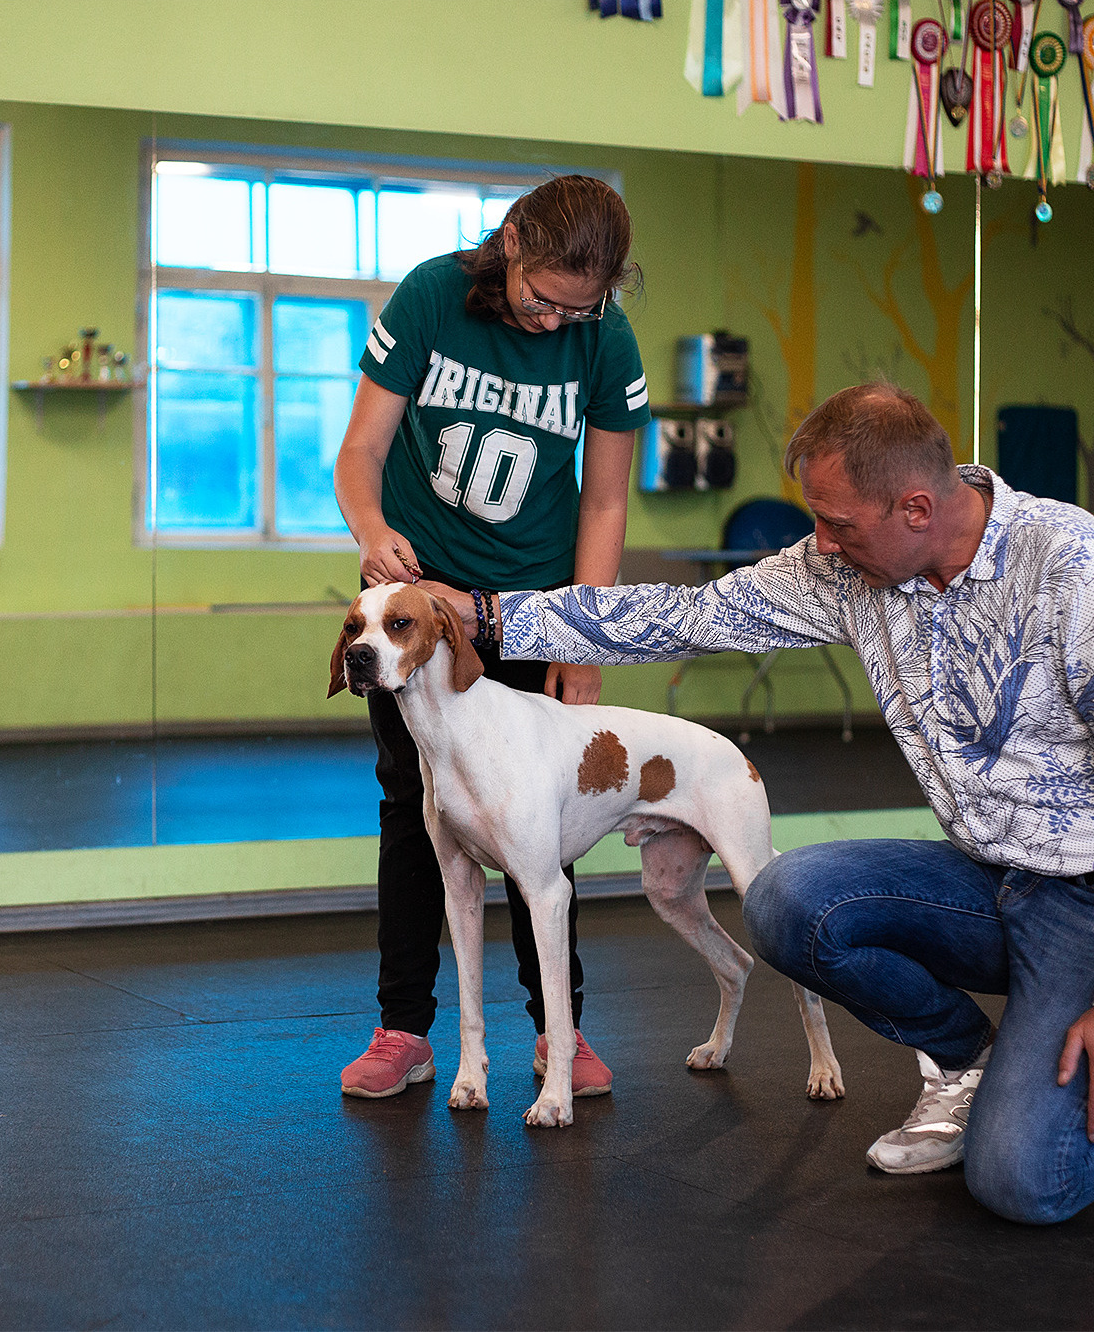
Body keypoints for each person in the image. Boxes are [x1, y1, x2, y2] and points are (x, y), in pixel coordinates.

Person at [430, 383, 1094, 1224]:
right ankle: (966, 1061)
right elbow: (687, 615)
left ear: (916, 509)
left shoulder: (1072, 568)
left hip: (1093, 903)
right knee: (785, 901)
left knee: (1025, 1180)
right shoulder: (847, 568)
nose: (822, 544)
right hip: (987, 880)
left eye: (838, 524)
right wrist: (491, 618)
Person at [331, 174, 654, 1100]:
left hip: (531, 608)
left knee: (535, 820)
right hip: (421, 600)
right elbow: (361, 451)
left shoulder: (604, 338)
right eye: (545, 299)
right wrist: (370, 531)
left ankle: (560, 1032)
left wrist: (583, 639)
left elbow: (604, 501)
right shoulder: (432, 296)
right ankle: (404, 1029)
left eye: (578, 309)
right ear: (512, 243)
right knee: (413, 806)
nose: (557, 322)